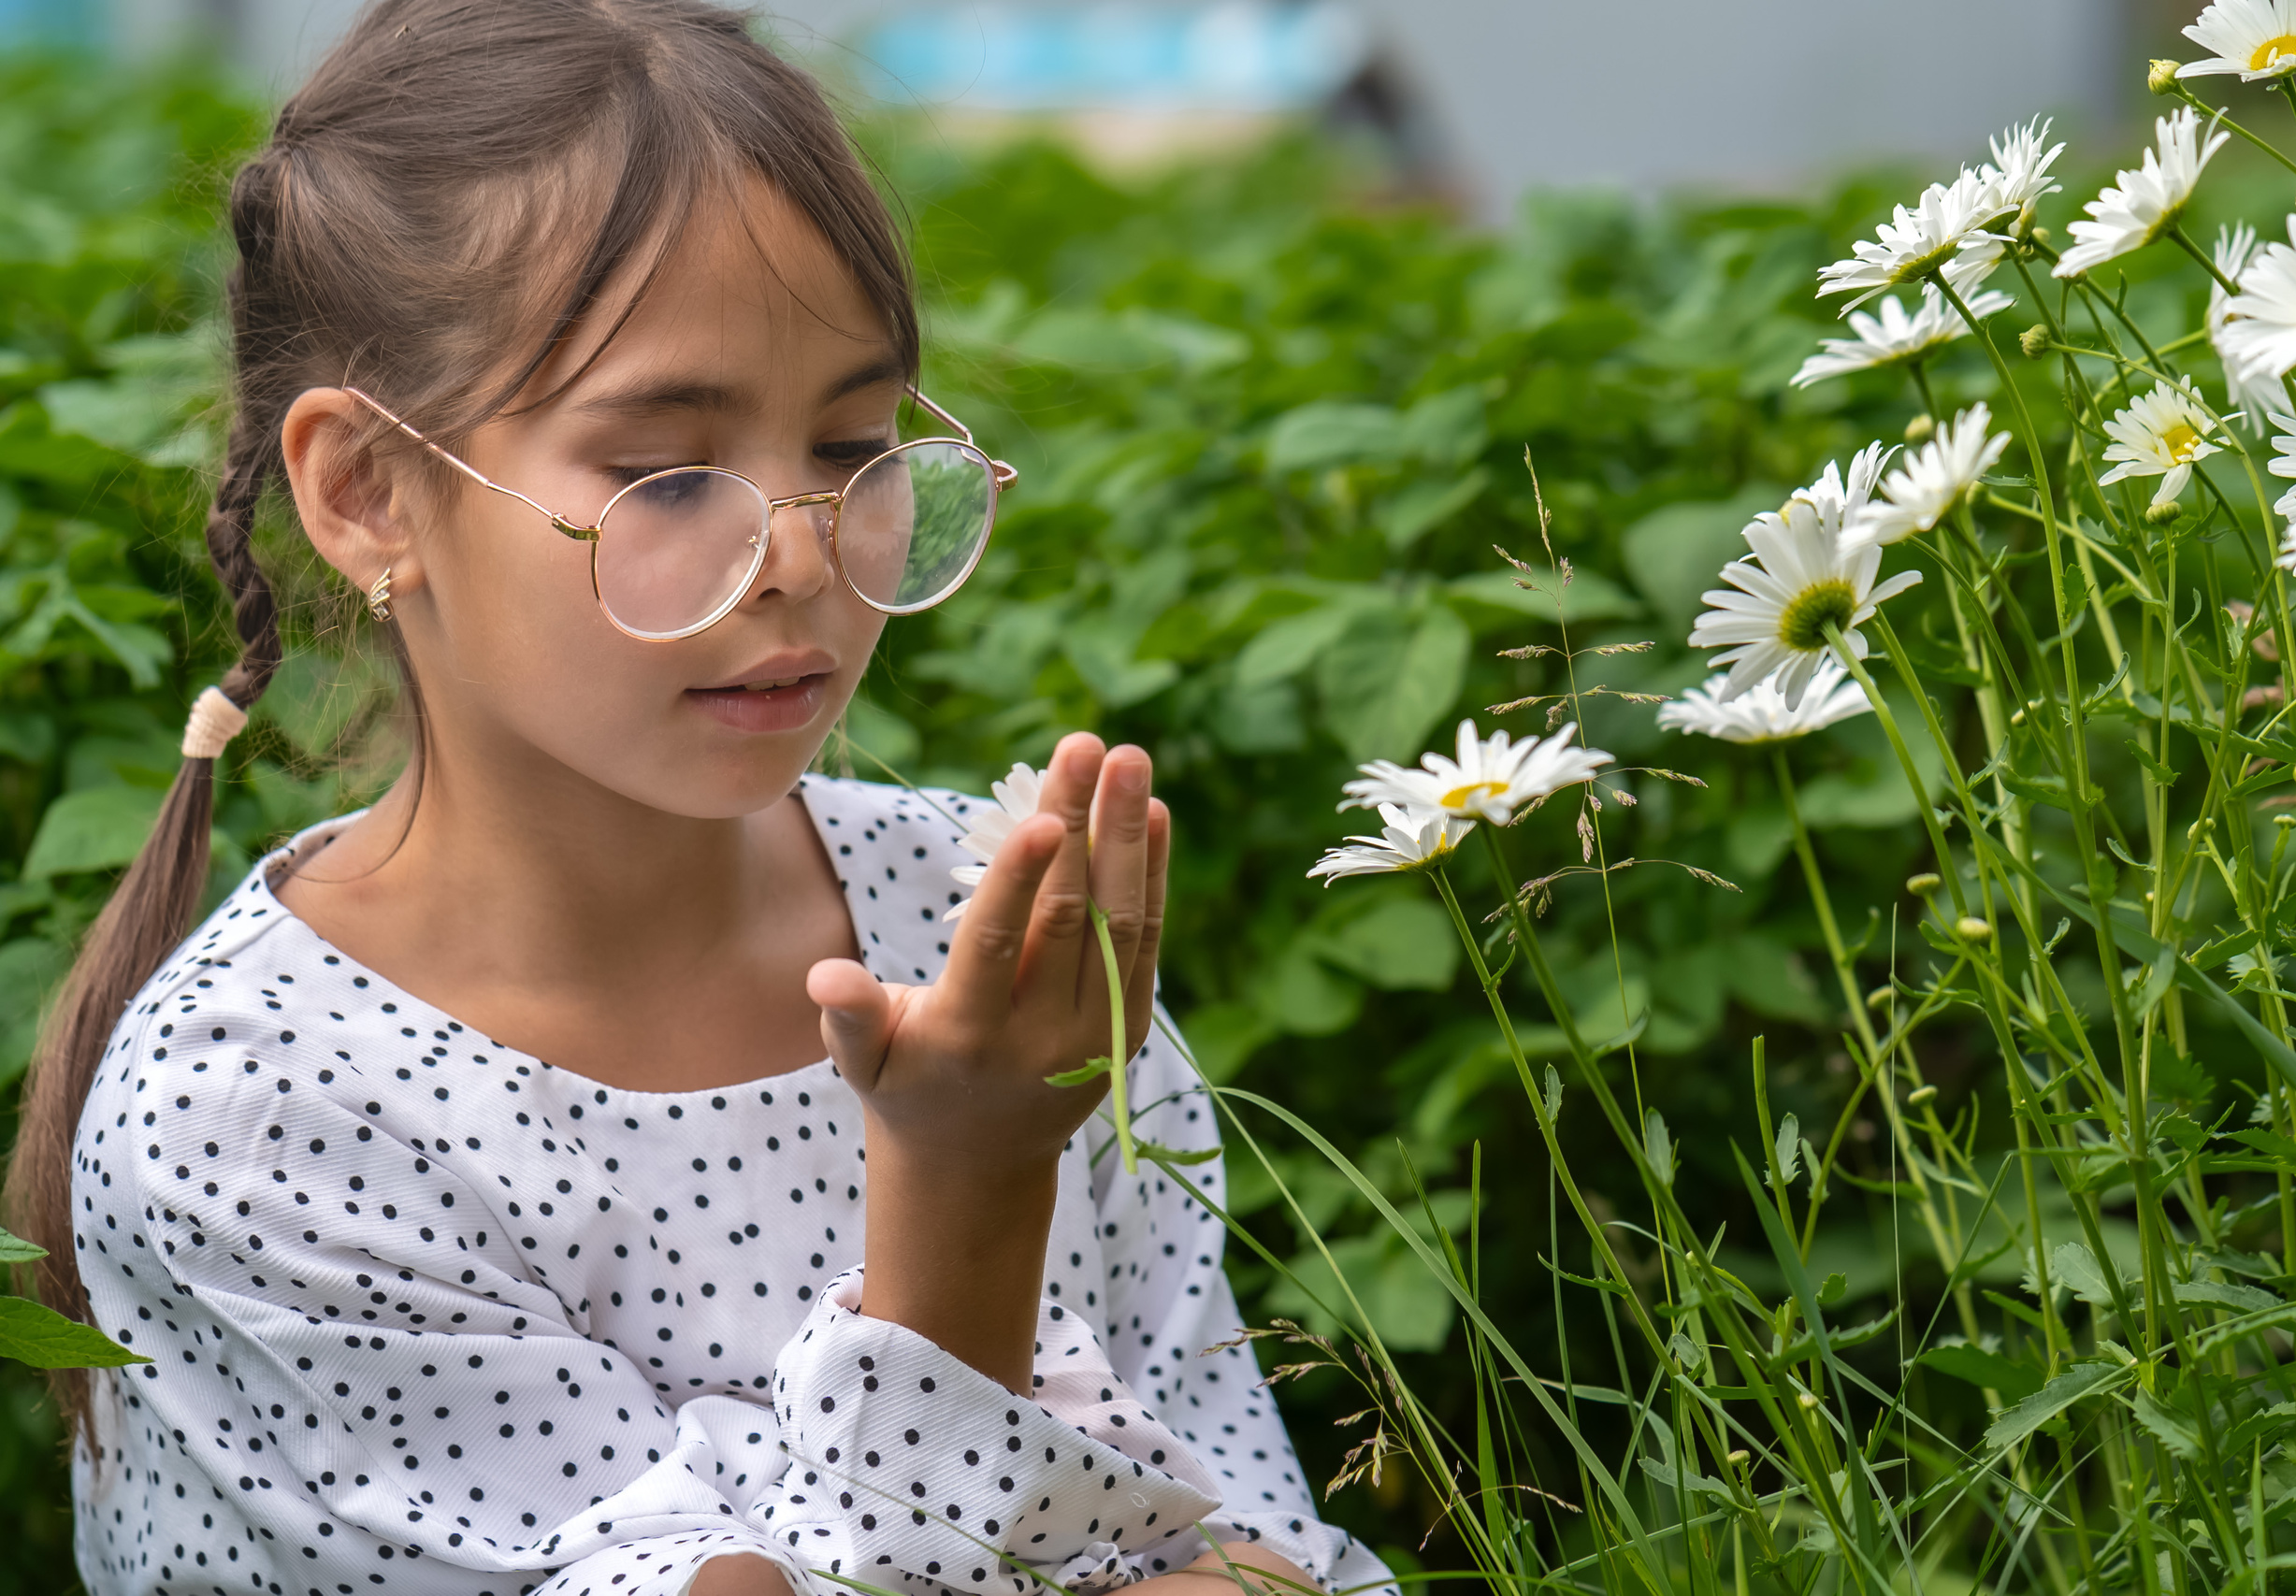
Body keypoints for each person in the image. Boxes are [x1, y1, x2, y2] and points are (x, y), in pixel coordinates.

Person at [6, 5, 1394, 1594]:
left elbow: (1263, 1545)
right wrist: (970, 1190)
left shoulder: (971, 926)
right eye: (666, 474)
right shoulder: (265, 1114)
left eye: (855, 444)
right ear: (367, 491)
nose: (800, 553)